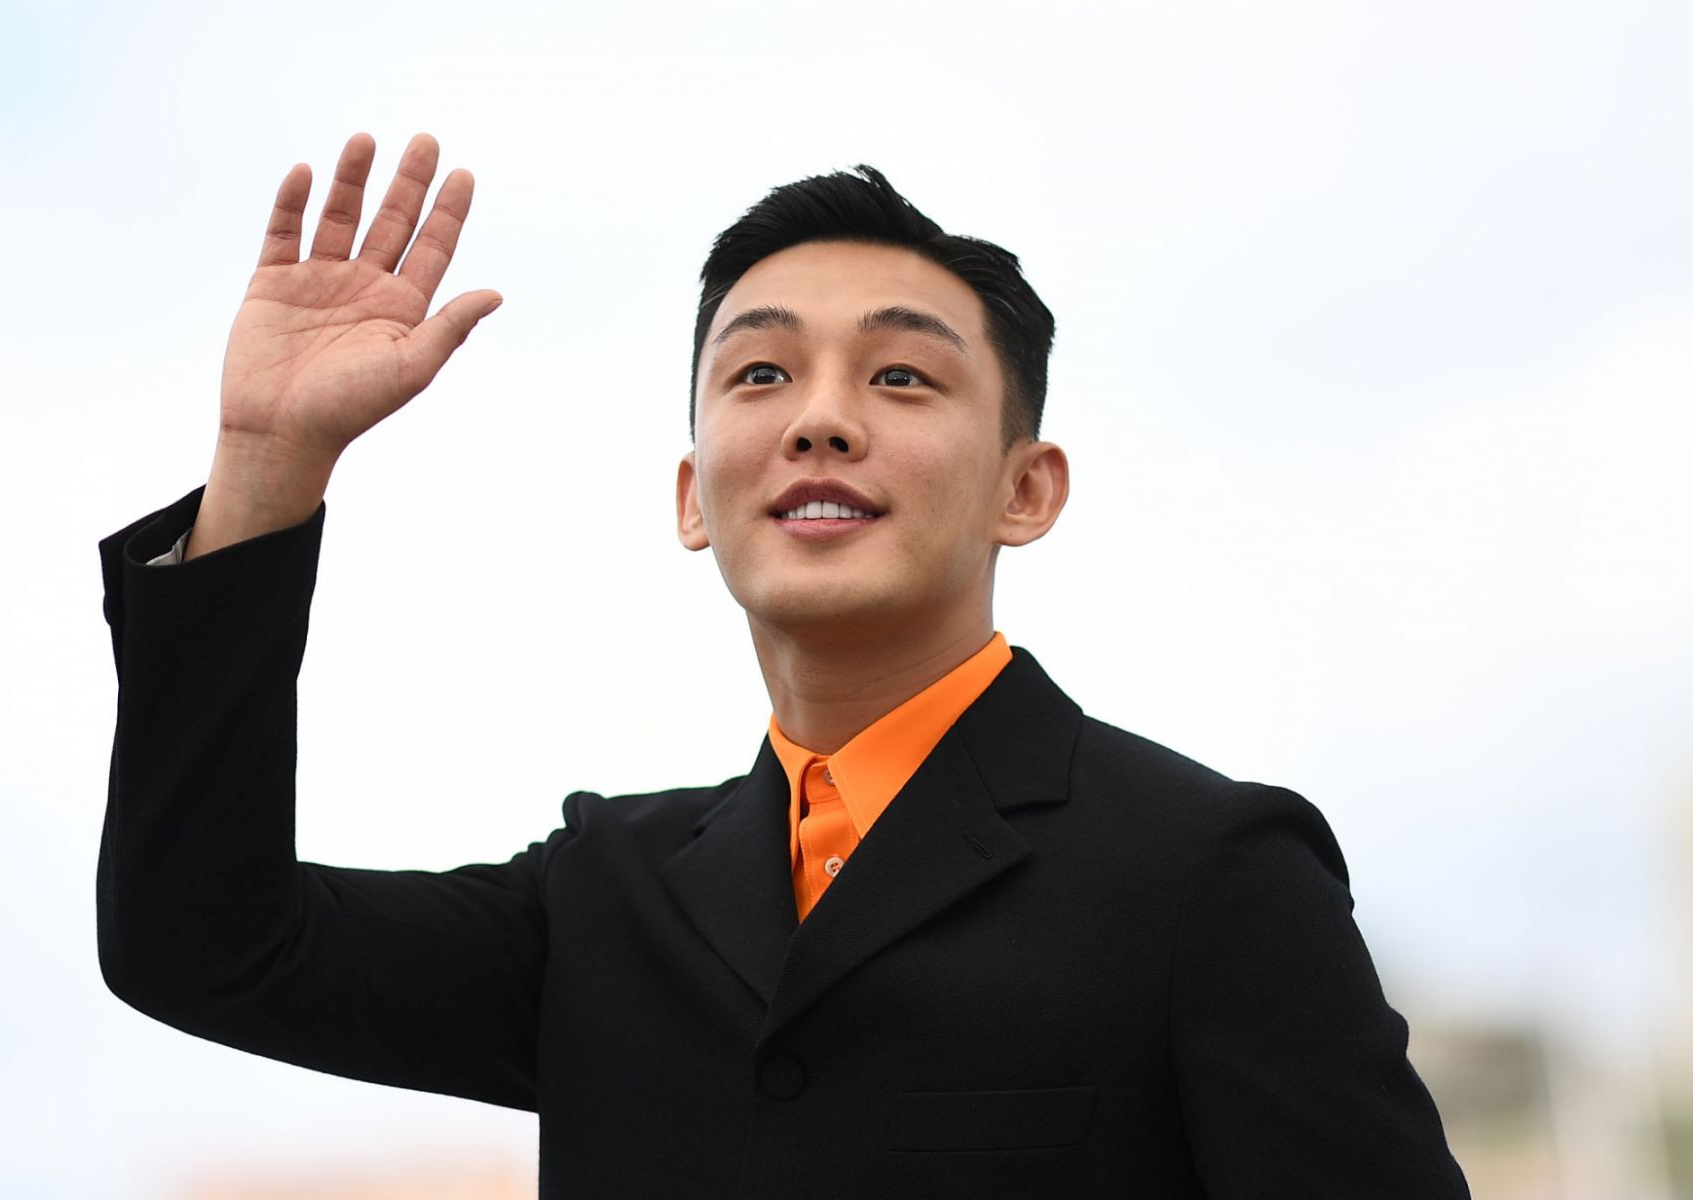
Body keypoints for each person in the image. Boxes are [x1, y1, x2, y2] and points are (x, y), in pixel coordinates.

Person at [96, 131, 1471, 1198]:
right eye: (759, 376)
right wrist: (269, 469)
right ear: (696, 499)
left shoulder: (1207, 877)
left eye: (901, 378)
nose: (819, 419)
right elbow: (202, 943)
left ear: (1027, 489)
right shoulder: (604, 907)